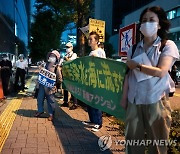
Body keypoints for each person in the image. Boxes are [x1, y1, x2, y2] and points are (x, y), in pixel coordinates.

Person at [124, 6, 179, 154]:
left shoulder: (167, 45)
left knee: (157, 146)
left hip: (157, 103)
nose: (147, 23)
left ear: (159, 24)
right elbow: (128, 75)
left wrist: (137, 66)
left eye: (151, 20)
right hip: (134, 102)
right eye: (144, 20)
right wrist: (124, 100)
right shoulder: (134, 48)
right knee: (133, 146)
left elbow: (162, 71)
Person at [82, 31, 106, 132]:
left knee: (96, 101)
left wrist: (96, 60)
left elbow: (104, 65)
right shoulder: (90, 52)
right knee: (89, 100)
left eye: (91, 39)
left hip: (97, 80)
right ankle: (92, 119)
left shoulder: (100, 51)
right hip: (89, 80)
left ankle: (98, 122)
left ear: (96, 41)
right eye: (89, 39)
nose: (89, 41)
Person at [34, 50, 62, 121]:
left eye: (53, 56)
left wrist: (55, 84)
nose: (51, 57)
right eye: (50, 56)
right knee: (40, 98)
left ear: (56, 58)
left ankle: (51, 114)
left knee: (51, 100)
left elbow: (59, 78)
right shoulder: (45, 65)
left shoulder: (56, 68)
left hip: (51, 87)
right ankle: (40, 110)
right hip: (42, 86)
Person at [61, 42, 78, 110]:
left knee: (73, 88)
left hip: (72, 74)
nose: (67, 48)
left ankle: (75, 103)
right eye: (66, 47)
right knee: (65, 87)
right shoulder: (65, 55)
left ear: (72, 47)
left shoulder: (74, 54)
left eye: (69, 47)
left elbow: (71, 62)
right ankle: (66, 102)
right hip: (66, 74)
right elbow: (61, 63)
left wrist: (66, 59)